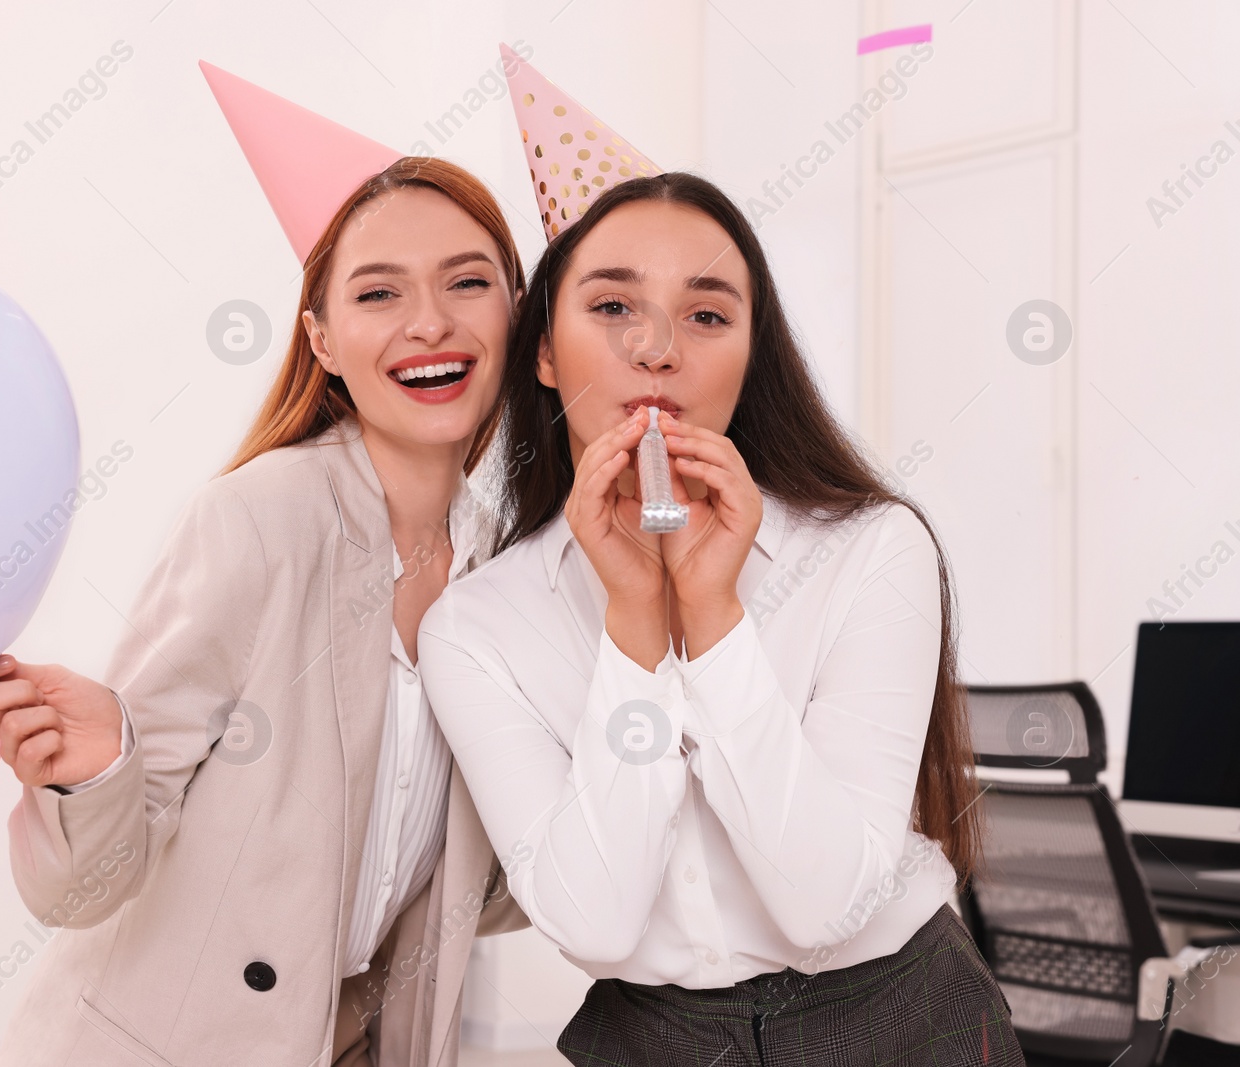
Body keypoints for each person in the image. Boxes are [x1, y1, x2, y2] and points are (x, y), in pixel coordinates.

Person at [417, 49, 1022, 1066]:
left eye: (706, 313)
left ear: (752, 352)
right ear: (546, 351)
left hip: (904, 1019)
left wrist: (713, 610)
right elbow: (593, 923)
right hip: (654, 1037)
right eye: (611, 306)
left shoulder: (871, 548)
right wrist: (634, 629)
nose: (659, 348)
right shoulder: (477, 624)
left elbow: (827, 900)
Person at [0, 61, 527, 1067]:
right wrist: (98, 775)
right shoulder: (260, 519)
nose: (428, 321)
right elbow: (79, 890)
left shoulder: (506, 573)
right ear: (324, 338)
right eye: (378, 292)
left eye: (466, 281)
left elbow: (482, 894)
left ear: (515, 313)